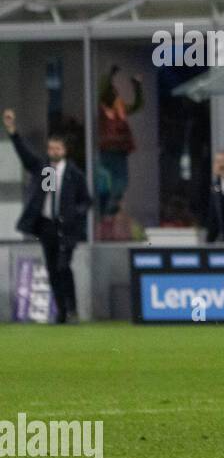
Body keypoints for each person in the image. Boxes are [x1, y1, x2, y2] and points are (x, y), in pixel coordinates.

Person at [2, 109, 90, 323]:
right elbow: (26, 156)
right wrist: (13, 132)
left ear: (65, 151)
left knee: (63, 266)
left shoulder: (74, 174)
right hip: (48, 225)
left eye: (57, 148)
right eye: (51, 148)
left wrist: (74, 215)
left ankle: (72, 309)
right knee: (52, 268)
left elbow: (85, 201)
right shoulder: (46, 170)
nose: (53, 151)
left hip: (66, 227)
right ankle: (61, 311)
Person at [96, 66, 143, 217]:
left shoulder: (120, 110)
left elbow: (137, 105)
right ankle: (104, 208)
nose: (118, 99)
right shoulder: (101, 110)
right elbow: (102, 90)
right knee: (106, 182)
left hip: (120, 151)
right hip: (106, 150)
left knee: (121, 182)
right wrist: (110, 74)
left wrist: (137, 86)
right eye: (115, 96)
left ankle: (110, 207)